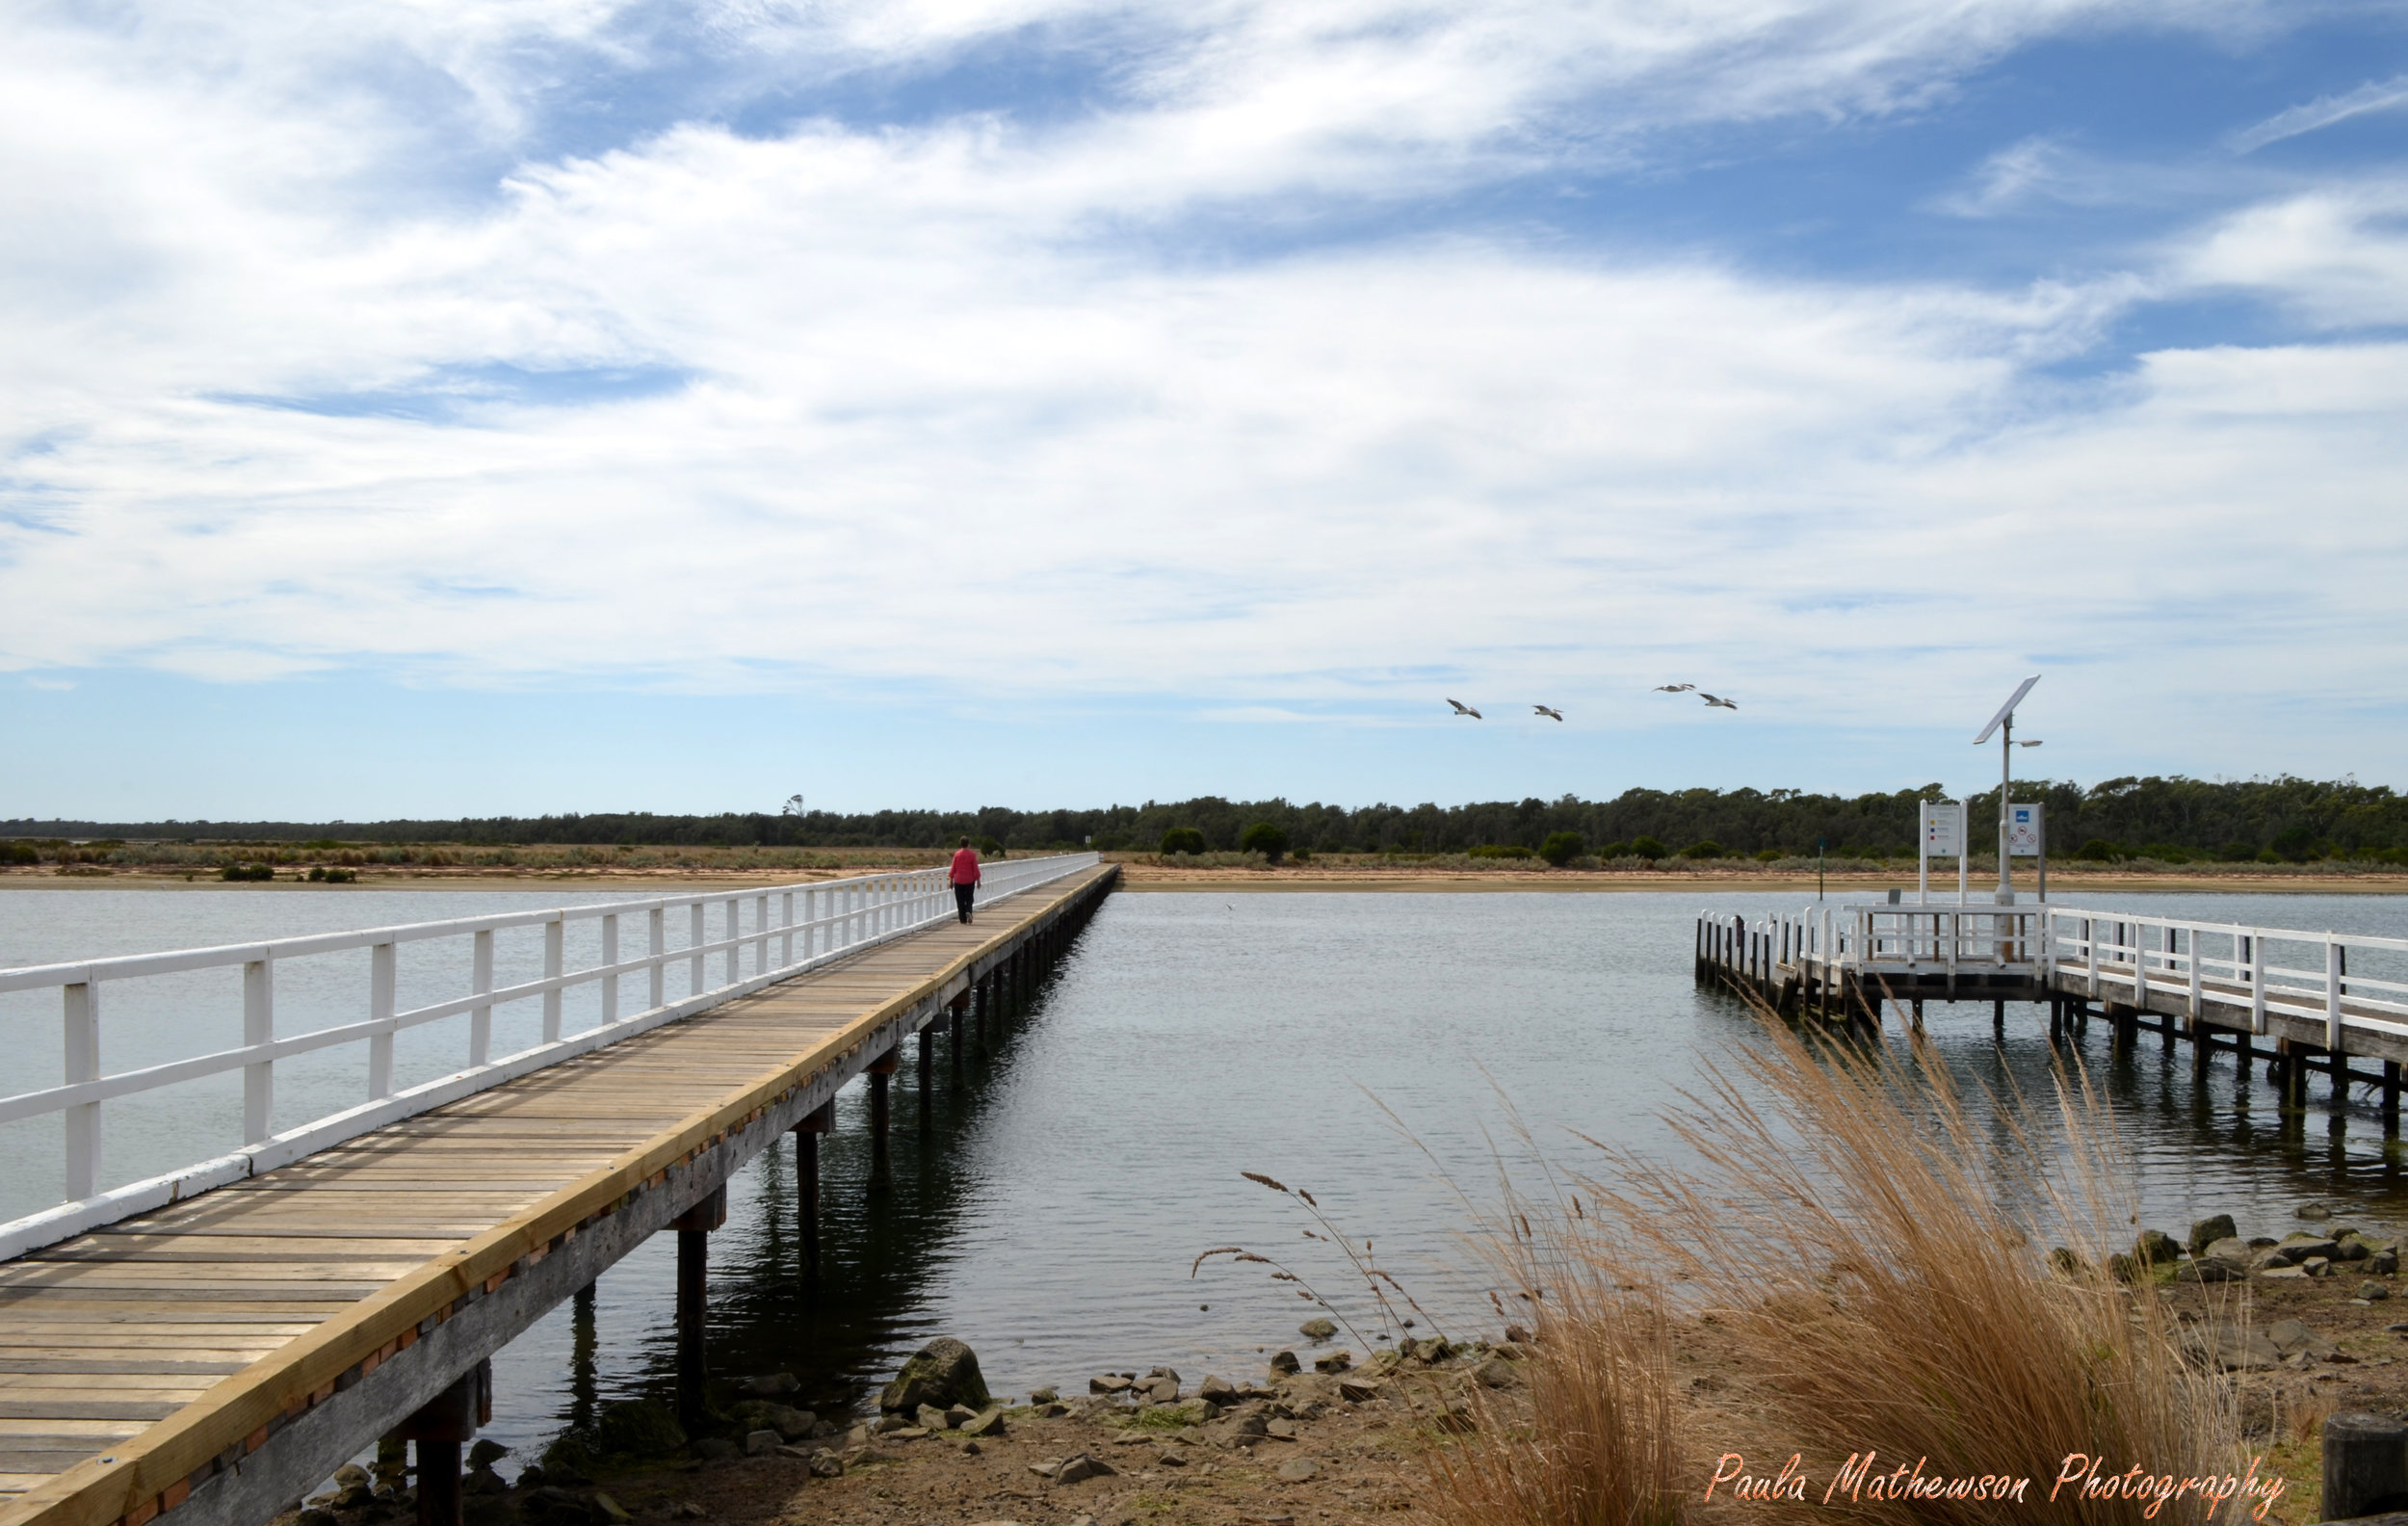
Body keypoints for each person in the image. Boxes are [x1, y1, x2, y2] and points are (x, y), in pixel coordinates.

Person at [949, 836, 982, 923]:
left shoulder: (957, 854)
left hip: (958, 880)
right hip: (969, 880)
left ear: (961, 844)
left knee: (960, 900)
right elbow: (975, 869)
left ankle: (962, 919)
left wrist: (951, 880)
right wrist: (978, 880)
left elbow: (953, 868)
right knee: (969, 898)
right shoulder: (972, 855)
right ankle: (968, 911)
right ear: (968, 844)